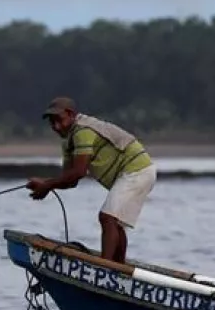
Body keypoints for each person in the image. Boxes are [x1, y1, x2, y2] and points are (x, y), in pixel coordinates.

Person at [25, 96, 157, 263]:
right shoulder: (68, 141)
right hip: (136, 172)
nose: (56, 126)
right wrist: (46, 184)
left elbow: (79, 172)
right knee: (114, 222)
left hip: (137, 169)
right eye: (51, 122)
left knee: (107, 217)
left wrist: (47, 185)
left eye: (59, 120)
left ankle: (104, 268)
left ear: (71, 114)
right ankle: (117, 267)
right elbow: (70, 179)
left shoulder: (82, 131)